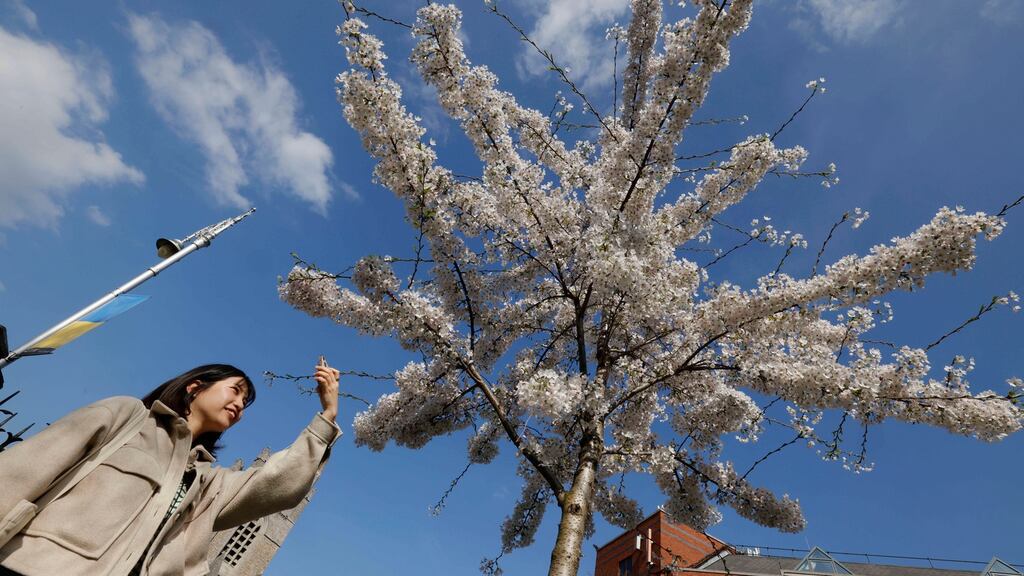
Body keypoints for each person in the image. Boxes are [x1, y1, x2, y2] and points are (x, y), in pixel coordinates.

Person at [0, 358, 342, 576]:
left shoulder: (206, 481)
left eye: (245, 403)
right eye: (235, 392)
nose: (239, 405)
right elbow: (19, 474)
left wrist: (326, 417)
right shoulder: (127, 417)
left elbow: (279, 483)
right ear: (195, 387)